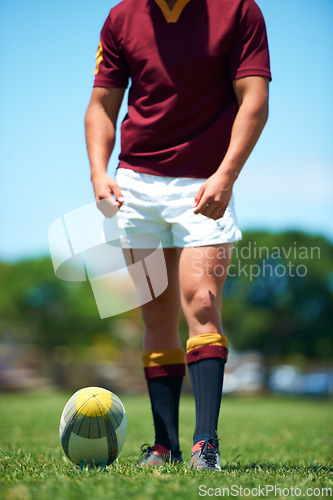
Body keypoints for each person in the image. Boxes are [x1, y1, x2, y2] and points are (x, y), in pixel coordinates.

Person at [85, 0, 271, 470]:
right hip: (135, 188)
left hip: (204, 182)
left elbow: (255, 98)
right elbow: (102, 105)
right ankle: (163, 445)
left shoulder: (239, 10)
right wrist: (98, 172)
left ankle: (204, 445)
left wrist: (226, 175)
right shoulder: (122, 17)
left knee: (203, 302)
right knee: (154, 311)